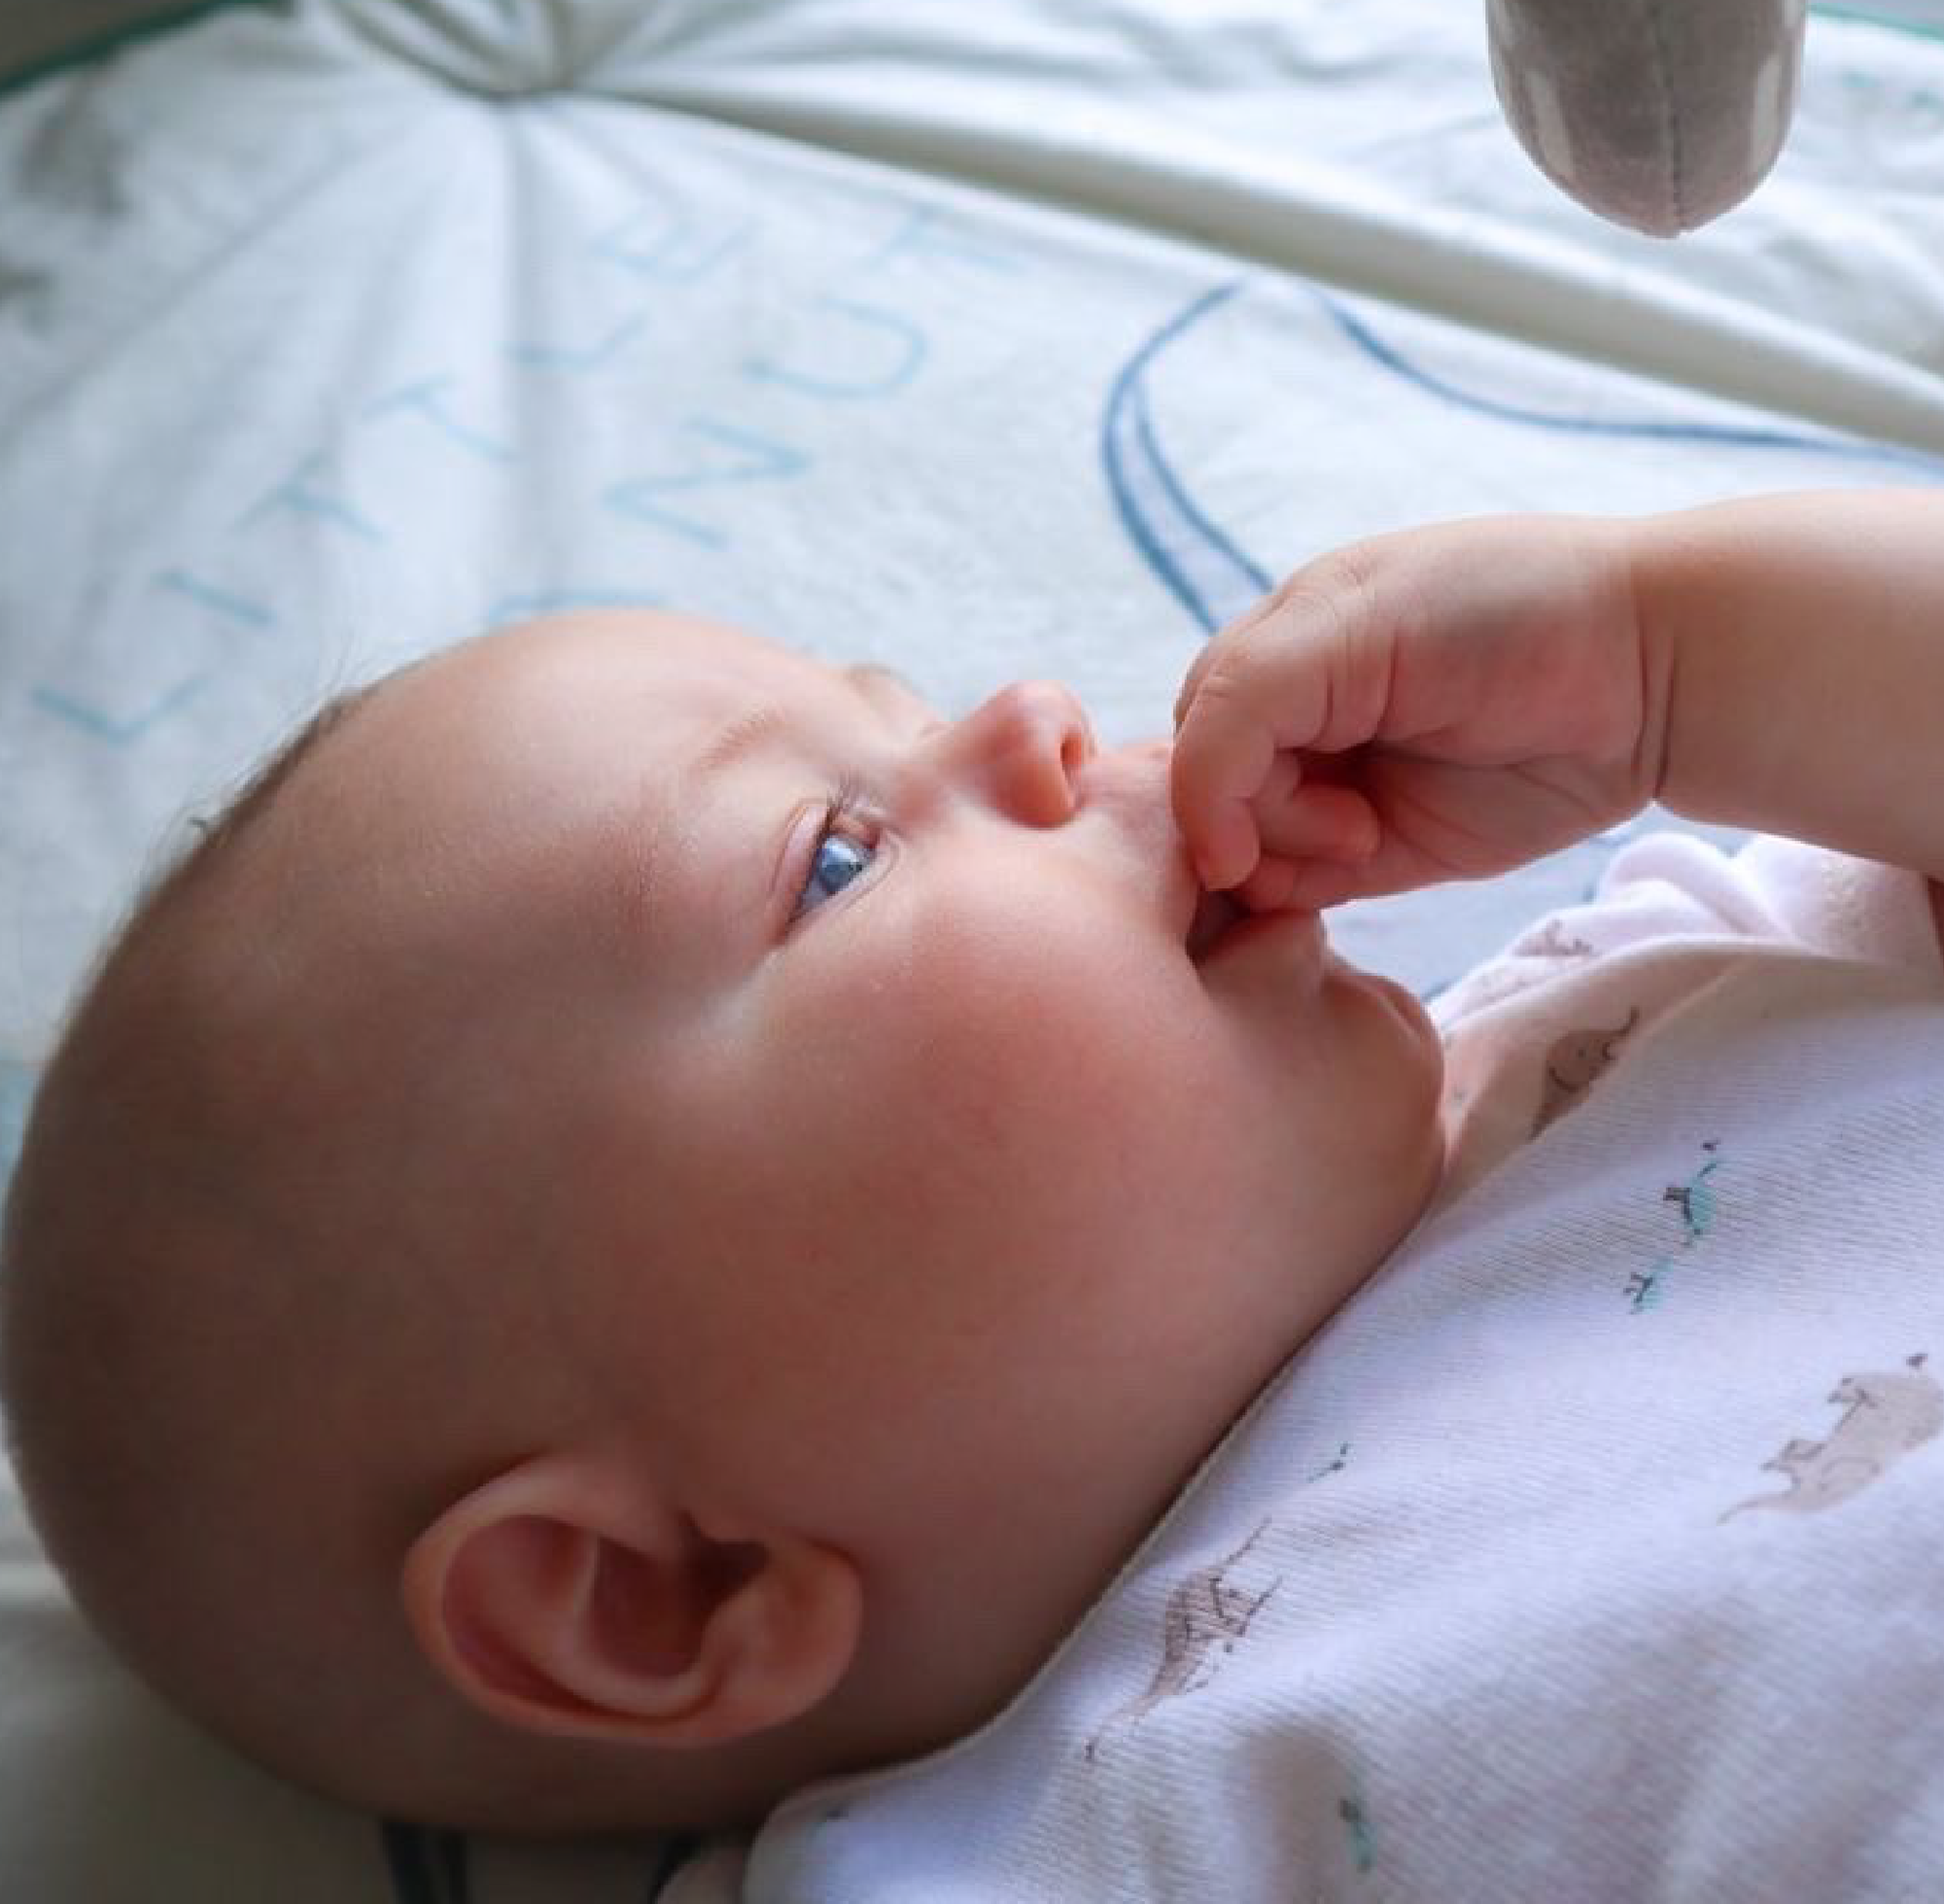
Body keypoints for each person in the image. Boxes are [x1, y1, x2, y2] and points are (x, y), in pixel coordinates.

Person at [0, 486, 1938, 1843]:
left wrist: (1669, 658)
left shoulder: (1643, 1005)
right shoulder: (1028, 1847)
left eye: (907, 711)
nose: (1034, 717)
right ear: (661, 1594)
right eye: (836, 858)